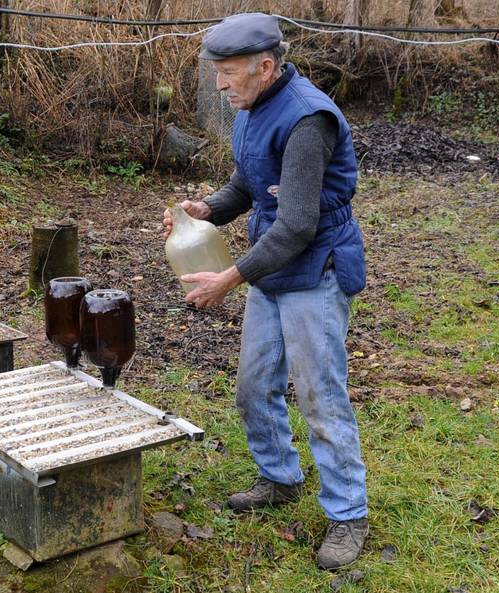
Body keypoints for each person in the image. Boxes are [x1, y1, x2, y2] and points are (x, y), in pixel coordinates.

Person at [162, 13, 369, 570]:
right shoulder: (250, 110)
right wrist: (208, 209)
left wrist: (231, 277)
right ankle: (279, 476)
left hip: (315, 271)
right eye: (217, 73)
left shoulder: (307, 119)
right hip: (273, 271)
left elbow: (298, 223)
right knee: (254, 386)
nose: (220, 84)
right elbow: (249, 184)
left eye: (228, 73)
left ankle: (348, 514)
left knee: (319, 396)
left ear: (267, 67)